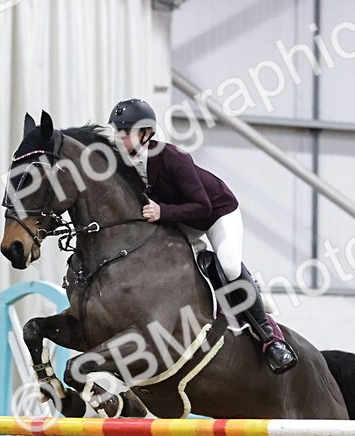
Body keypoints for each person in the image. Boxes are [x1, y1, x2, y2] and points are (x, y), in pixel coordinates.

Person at [107, 98, 298, 375]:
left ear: (146, 134)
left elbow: (202, 206)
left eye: (125, 133)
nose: (118, 138)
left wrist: (162, 211)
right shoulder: (123, 163)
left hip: (216, 213)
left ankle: (270, 339)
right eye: (116, 132)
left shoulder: (173, 157)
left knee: (229, 265)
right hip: (177, 219)